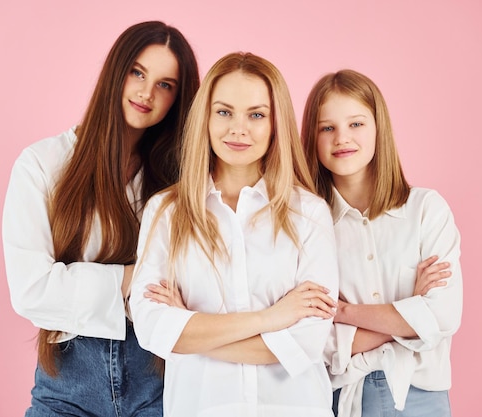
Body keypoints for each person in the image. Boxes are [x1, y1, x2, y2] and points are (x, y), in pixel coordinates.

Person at [2, 21, 199, 417]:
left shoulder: (180, 177)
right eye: (137, 72)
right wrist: (135, 276)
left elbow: (195, 280)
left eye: (166, 85)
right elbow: (31, 289)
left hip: (160, 378)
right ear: (116, 71)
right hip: (67, 384)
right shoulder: (43, 164)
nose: (146, 92)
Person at [129, 52, 339, 417]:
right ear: (205, 118)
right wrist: (271, 318)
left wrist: (192, 331)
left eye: (256, 115)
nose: (238, 128)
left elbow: (307, 342)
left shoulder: (309, 213)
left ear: (276, 123)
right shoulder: (166, 211)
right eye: (224, 112)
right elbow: (153, 330)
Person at [301, 69, 463, 417]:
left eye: (356, 124)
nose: (342, 138)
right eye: (327, 128)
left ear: (379, 128)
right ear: (312, 138)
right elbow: (312, 339)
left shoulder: (425, 209)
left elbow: (442, 316)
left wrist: (345, 313)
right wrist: (410, 310)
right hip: (340, 398)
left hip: (420, 395)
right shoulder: (306, 224)